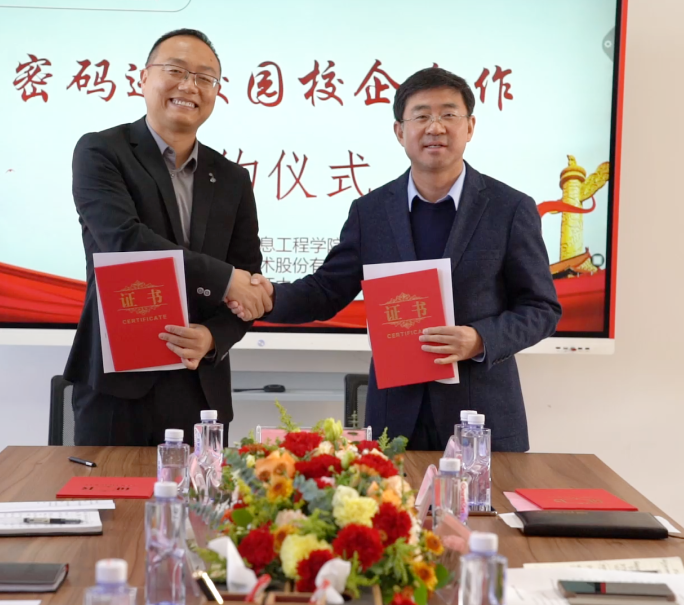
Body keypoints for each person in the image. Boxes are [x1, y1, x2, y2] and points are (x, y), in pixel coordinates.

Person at [229, 67, 561, 452]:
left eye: (448, 114)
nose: (435, 127)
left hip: (481, 417)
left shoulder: (509, 208)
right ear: (399, 131)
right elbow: (327, 290)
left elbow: (541, 308)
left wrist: (479, 339)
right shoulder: (370, 212)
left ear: (470, 127)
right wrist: (268, 297)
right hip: (395, 418)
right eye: (421, 116)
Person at [63, 29, 271, 446]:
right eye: (176, 70)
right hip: (118, 388)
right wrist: (225, 280)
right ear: (144, 78)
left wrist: (213, 337)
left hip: (201, 390)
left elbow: (247, 280)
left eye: (205, 77)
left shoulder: (232, 178)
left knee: (202, 492)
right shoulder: (102, 152)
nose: (190, 86)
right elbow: (124, 242)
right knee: (110, 489)